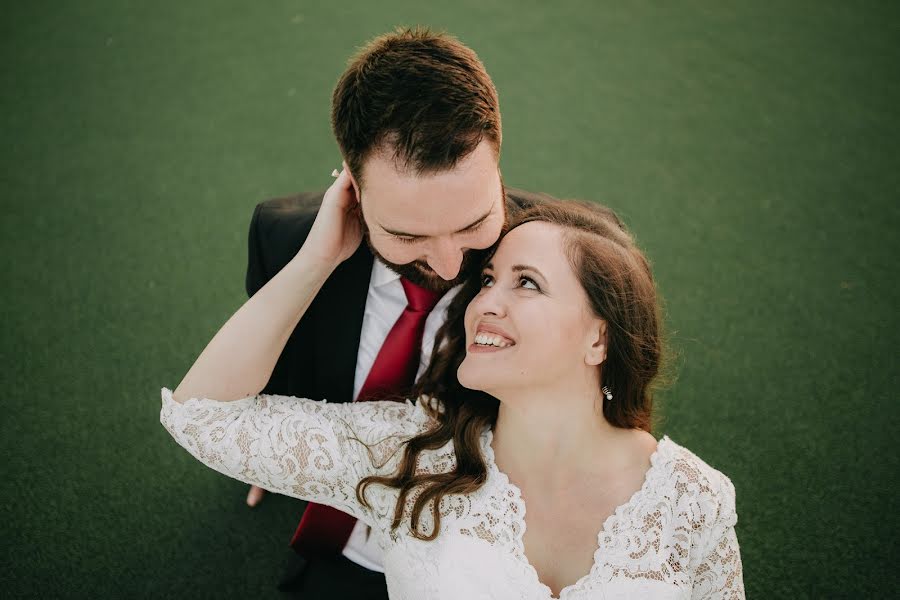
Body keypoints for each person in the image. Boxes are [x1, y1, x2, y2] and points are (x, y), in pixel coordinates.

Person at [160, 173, 746, 597]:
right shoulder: (409, 455)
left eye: (527, 284)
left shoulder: (697, 499)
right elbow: (200, 416)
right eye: (487, 280)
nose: (484, 301)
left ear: (599, 339)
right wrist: (317, 260)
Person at [242, 26, 554, 596]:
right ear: (354, 186)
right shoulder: (283, 236)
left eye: (472, 223)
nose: (448, 260)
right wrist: (270, 438)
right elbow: (280, 360)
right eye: (408, 235)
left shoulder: (563, 256)